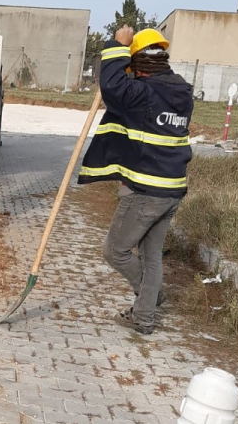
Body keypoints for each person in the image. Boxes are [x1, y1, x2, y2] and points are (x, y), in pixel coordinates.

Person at [77, 25, 194, 335]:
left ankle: (149, 298)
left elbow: (114, 87)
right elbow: (122, 91)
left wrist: (116, 45)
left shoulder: (143, 94)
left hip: (147, 191)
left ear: (138, 66)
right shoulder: (181, 92)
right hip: (173, 189)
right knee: (152, 255)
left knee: (115, 250)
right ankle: (144, 316)